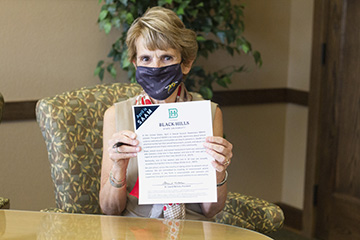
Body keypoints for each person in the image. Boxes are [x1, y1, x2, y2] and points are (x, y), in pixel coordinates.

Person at [99, 6, 233, 221]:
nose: (156, 67)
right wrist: (118, 168)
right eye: (146, 59)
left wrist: (219, 169)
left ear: (186, 63)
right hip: (135, 230)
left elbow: (211, 210)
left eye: (167, 58)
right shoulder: (116, 116)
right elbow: (109, 210)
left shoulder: (208, 113)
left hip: (191, 229)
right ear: (135, 63)